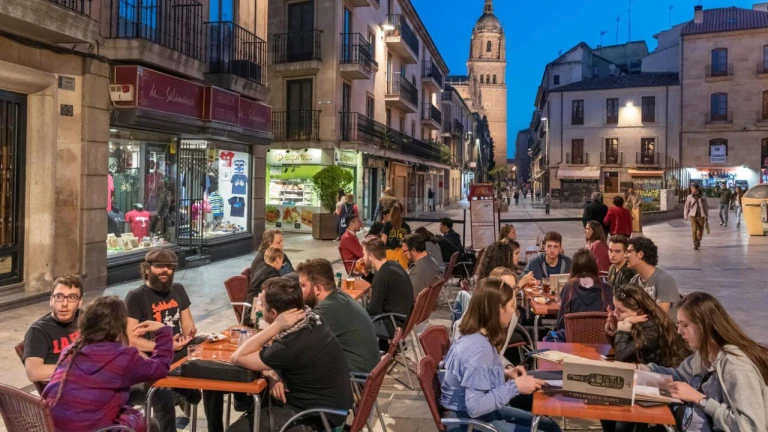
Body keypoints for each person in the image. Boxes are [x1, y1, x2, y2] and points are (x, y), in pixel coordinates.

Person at [232, 278, 354, 432]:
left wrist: (275, 326)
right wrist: (274, 372)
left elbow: (237, 357)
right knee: (258, 404)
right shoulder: (313, 319)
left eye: (262, 304)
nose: (258, 307)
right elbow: (295, 360)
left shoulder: (289, 344)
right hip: (335, 408)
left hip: (317, 417)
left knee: (237, 430)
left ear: (274, 313)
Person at [440, 277, 561, 432]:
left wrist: (505, 373)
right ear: (498, 309)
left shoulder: (473, 335)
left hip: (471, 415)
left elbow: (473, 375)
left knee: (550, 427)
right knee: (550, 429)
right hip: (467, 422)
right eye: (510, 306)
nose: (512, 311)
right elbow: (475, 407)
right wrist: (515, 387)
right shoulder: (480, 348)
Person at [637, 292, 768, 432]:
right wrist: (638, 369)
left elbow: (751, 427)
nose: (679, 331)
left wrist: (699, 399)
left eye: (685, 325)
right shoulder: (705, 355)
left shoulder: (736, 366)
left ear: (704, 326)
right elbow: (679, 376)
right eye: (678, 325)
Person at [42, 296, 173, 432]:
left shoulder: (70, 351)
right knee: (151, 424)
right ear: (120, 326)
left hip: (54, 426)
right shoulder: (122, 357)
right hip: (91, 428)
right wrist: (162, 331)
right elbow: (160, 367)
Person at [125, 249, 201, 432]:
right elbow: (130, 340)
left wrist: (188, 336)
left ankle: (189, 391)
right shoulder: (136, 296)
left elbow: (187, 323)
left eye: (169, 267)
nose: (165, 270)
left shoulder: (178, 289)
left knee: (209, 357)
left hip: (178, 349)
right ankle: (182, 390)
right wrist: (166, 346)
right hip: (152, 356)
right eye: (159, 266)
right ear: (147, 268)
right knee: (165, 392)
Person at [601, 285, 690, 432]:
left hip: (664, 381)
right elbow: (623, 351)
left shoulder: (651, 327)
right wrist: (614, 327)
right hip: (646, 377)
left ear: (639, 311)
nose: (615, 313)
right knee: (604, 402)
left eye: (621, 310)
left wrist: (623, 329)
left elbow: (622, 357)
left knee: (615, 408)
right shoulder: (640, 323)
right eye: (615, 308)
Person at [296, 259, 380, 374]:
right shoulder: (340, 296)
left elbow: (298, 346)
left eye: (302, 286)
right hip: (370, 371)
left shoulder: (325, 310)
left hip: (356, 377)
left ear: (318, 288)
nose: (299, 291)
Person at [23, 275, 84, 385]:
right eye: (59, 297)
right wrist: (77, 368)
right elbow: (34, 372)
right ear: (51, 300)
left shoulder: (86, 319)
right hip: (61, 388)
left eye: (72, 297)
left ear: (79, 302)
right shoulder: (38, 330)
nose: (64, 304)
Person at [358, 238, 414, 344]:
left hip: (393, 325)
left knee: (353, 323)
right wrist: (367, 274)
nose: (362, 258)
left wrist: (354, 313)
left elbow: (373, 310)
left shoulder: (381, 276)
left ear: (371, 256)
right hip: (404, 319)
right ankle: (383, 347)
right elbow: (383, 284)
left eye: (364, 254)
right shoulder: (393, 265)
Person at [553, 249, 613, 335]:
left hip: (573, 339)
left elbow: (561, 323)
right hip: (602, 340)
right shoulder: (607, 289)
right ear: (594, 266)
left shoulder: (569, 287)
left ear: (574, 267)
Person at [626, 236, 680, 320]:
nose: (625, 256)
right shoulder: (634, 280)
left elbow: (660, 315)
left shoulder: (664, 280)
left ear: (640, 254)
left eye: (629, 252)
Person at [245, 246, 283, 326]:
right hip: (255, 313)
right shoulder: (272, 274)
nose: (282, 264)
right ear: (277, 260)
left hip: (249, 307)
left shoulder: (262, 266)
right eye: (281, 261)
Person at [402, 234, 443, 299]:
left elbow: (410, 297)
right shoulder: (430, 261)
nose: (403, 254)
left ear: (414, 250)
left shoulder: (420, 271)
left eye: (404, 251)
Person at [684, 183, 710, 251]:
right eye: (691, 188)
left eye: (693, 188)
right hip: (693, 215)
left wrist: (706, 215)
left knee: (700, 230)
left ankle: (698, 240)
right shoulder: (689, 197)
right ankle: (695, 243)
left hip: (701, 215)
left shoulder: (703, 197)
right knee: (694, 229)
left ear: (697, 189)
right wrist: (685, 215)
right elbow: (686, 206)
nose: (692, 190)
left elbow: (706, 207)